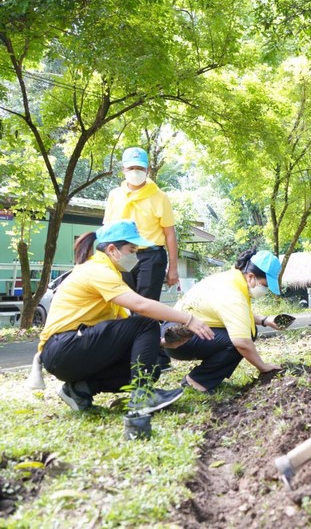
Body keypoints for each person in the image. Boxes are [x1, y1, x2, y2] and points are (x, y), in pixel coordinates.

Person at [38, 220, 215, 413]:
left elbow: (124, 331)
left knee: (151, 367)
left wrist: (162, 343)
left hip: (69, 352)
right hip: (62, 348)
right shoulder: (97, 270)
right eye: (132, 250)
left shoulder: (110, 273)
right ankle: (142, 397)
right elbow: (142, 306)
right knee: (146, 323)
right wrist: (188, 319)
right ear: (112, 249)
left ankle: (79, 390)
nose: (135, 257)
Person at [160, 248, 285, 394]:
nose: (266, 290)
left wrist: (265, 320)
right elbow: (242, 343)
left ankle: (203, 378)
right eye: (266, 285)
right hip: (179, 338)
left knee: (248, 330)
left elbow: (237, 314)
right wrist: (263, 367)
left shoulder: (230, 279)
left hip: (175, 328)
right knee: (241, 338)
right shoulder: (232, 293)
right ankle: (197, 381)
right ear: (251, 276)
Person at [104, 146, 179, 370]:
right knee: (129, 305)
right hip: (123, 255)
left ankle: (155, 359)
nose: (135, 172)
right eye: (131, 168)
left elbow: (169, 233)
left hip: (151, 255)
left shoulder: (159, 196)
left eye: (139, 168)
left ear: (148, 170)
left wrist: (173, 268)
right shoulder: (115, 195)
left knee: (146, 305)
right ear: (123, 169)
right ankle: (150, 354)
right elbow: (107, 229)